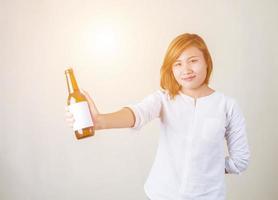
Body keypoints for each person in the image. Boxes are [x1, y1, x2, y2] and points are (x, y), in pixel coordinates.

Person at [65, 33, 250, 200]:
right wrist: (101, 121)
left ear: (207, 62)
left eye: (193, 60)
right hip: (163, 194)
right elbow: (137, 113)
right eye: (177, 63)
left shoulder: (227, 106)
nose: (185, 69)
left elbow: (240, 161)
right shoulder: (164, 99)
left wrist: (209, 167)